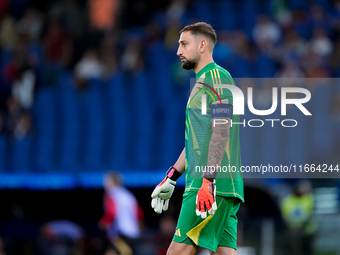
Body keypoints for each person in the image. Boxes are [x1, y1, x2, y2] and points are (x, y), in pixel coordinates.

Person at [151, 22, 244, 255]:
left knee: (177, 252)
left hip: (210, 183)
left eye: (184, 44)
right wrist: (171, 177)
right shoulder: (202, 82)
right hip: (218, 184)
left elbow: (221, 130)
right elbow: (197, 142)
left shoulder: (216, 77)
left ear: (202, 45)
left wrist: (208, 182)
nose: (178, 51)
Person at [99, 171, 144, 255]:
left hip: (120, 233)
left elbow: (112, 212)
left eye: (106, 181)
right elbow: (139, 215)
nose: (104, 184)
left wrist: (104, 222)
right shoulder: (129, 195)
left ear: (112, 181)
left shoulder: (111, 194)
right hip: (133, 234)